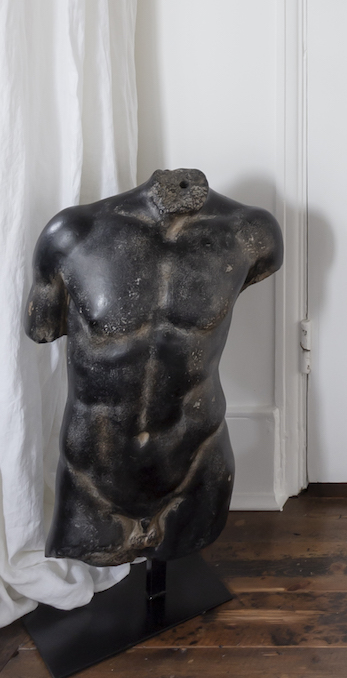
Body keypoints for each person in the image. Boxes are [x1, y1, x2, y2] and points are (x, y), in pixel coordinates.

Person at [26, 168, 283, 563]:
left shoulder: (252, 234)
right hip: (92, 474)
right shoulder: (72, 234)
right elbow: (41, 329)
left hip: (197, 462)